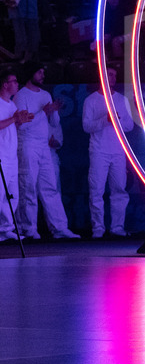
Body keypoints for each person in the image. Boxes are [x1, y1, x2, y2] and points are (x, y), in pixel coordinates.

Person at [15, 63, 77, 239]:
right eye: (39, 72)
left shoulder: (45, 94)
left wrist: (53, 112)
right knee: (29, 187)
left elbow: (54, 123)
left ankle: (59, 228)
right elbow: (23, 125)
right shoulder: (21, 96)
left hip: (43, 147)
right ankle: (29, 229)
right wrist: (44, 112)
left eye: (43, 72)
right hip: (28, 145)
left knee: (50, 186)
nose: (43, 75)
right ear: (30, 73)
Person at [82, 67, 134, 238]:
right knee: (96, 190)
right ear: (102, 76)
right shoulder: (91, 100)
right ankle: (98, 229)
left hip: (118, 151)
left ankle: (117, 227)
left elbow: (130, 126)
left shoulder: (122, 100)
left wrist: (116, 121)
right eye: (110, 74)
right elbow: (86, 126)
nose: (113, 77)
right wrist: (105, 120)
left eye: (114, 75)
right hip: (98, 151)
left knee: (119, 189)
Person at [0, 72, 31, 241]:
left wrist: (20, 121)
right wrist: (14, 118)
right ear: (5, 85)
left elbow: (12, 126)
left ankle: (6, 228)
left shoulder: (11, 104)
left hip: (12, 157)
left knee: (13, 195)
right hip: (1, 157)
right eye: (14, 81)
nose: (17, 84)